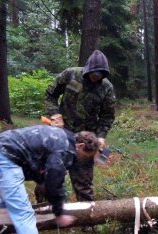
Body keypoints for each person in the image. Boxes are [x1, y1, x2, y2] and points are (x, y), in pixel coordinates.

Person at [44, 50, 116, 201]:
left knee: (84, 186)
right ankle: (47, 217)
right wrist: (55, 114)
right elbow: (50, 95)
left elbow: (107, 116)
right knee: (49, 179)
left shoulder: (107, 88)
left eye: (100, 74)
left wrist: (101, 136)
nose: (96, 77)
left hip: (85, 142)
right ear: (87, 69)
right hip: (61, 136)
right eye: (93, 73)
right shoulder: (70, 74)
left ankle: (86, 221)